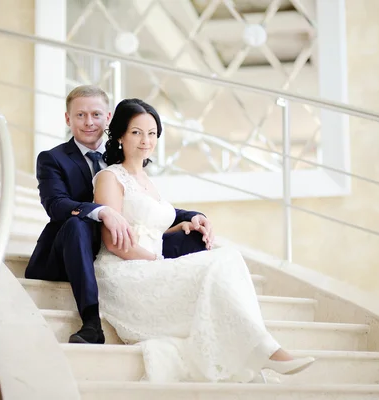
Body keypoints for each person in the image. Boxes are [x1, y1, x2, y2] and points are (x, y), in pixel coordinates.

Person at [92, 98, 315, 383]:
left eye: (151, 133)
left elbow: (146, 229)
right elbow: (113, 242)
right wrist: (156, 261)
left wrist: (181, 226)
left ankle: (264, 346)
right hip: (124, 273)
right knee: (223, 260)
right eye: (136, 132)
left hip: (150, 266)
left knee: (229, 256)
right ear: (121, 135)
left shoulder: (148, 180)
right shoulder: (109, 178)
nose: (145, 140)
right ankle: (266, 349)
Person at [25, 85, 212, 344]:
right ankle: (91, 323)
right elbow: (56, 204)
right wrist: (102, 212)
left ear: (109, 118)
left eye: (96, 115)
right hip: (74, 248)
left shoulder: (128, 156)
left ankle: (188, 310)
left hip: (122, 243)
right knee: (76, 224)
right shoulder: (53, 159)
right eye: (80, 115)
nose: (89, 122)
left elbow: (142, 204)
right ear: (68, 119)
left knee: (194, 238)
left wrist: (191, 216)